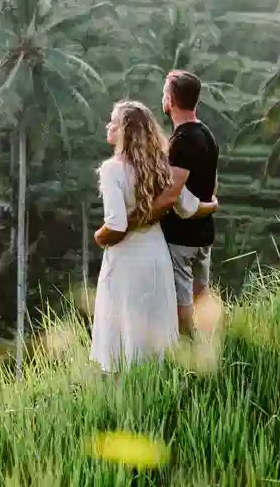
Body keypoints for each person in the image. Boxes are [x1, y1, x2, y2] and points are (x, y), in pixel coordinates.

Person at [90, 100, 207, 372]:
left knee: (122, 338)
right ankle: (155, 393)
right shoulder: (161, 167)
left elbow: (116, 226)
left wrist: (99, 237)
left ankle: (125, 402)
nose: (109, 126)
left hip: (126, 259)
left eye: (114, 122)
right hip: (155, 256)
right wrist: (212, 204)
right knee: (154, 336)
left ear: (127, 132)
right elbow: (189, 207)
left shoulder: (112, 170)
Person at [151, 70, 220, 337]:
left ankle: (187, 350)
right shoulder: (208, 136)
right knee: (201, 293)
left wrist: (142, 218)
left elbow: (171, 192)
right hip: (204, 231)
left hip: (182, 236)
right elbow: (212, 186)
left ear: (169, 99)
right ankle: (207, 343)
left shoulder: (182, 141)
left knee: (182, 298)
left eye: (164, 93)